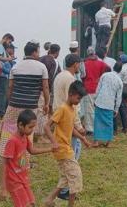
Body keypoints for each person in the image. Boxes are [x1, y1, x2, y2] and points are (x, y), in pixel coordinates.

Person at [0, 40, 49, 161]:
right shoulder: (41, 67)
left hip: (14, 103)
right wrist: (46, 104)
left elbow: (10, 87)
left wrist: (10, 101)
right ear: (34, 52)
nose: (39, 54)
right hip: (31, 105)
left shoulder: (16, 66)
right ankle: (23, 158)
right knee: (28, 130)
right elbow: (45, 87)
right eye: (38, 51)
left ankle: (4, 153)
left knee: (9, 127)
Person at [44, 81, 90, 207]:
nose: (79, 101)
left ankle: (49, 200)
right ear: (70, 94)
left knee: (66, 177)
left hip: (67, 148)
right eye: (78, 98)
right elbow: (47, 126)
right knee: (75, 176)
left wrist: (83, 138)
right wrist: (53, 142)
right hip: (62, 150)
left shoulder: (72, 109)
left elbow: (71, 128)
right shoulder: (63, 109)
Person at [0, 109, 53, 207]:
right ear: (20, 125)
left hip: (23, 178)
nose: (32, 130)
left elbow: (32, 150)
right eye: (30, 127)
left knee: (31, 202)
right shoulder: (12, 141)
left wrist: (50, 149)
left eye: (34, 127)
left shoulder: (24, 136)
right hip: (14, 181)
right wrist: (3, 188)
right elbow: (3, 163)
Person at [53, 54, 87, 200]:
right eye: (79, 64)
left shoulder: (59, 76)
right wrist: (79, 127)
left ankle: (63, 189)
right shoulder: (71, 79)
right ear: (76, 64)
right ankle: (66, 189)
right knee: (72, 158)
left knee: (67, 158)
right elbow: (74, 106)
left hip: (59, 118)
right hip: (67, 120)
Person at [92, 62, 123, 147]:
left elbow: (98, 88)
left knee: (97, 121)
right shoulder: (119, 81)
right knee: (109, 123)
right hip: (110, 104)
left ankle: (96, 141)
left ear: (113, 67)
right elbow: (119, 97)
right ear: (120, 70)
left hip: (100, 101)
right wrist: (116, 109)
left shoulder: (105, 75)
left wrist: (95, 99)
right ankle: (108, 142)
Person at [37, 44, 61, 143]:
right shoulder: (55, 63)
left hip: (34, 89)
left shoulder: (40, 59)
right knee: (44, 112)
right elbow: (52, 78)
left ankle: (34, 133)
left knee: (36, 111)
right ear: (57, 52)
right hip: (45, 90)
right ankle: (40, 137)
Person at [82, 47, 107, 134]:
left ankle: (90, 129)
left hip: (88, 88)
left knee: (89, 110)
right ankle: (98, 127)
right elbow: (108, 70)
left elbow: (82, 76)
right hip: (98, 88)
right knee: (97, 108)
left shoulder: (84, 63)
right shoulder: (101, 63)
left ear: (88, 54)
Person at [0, 33, 15, 119]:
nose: (9, 44)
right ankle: (1, 114)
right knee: (2, 94)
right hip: (1, 74)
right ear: (6, 38)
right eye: (9, 42)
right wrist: (8, 59)